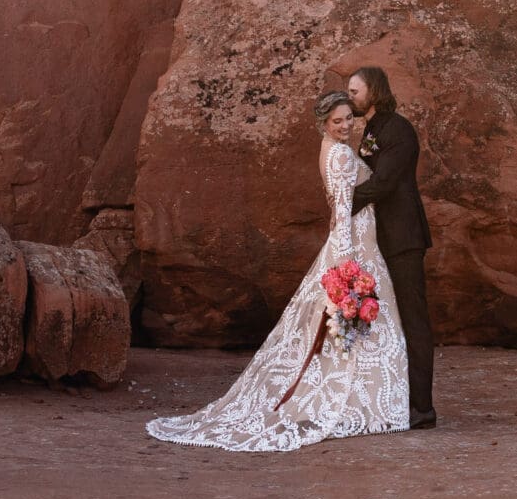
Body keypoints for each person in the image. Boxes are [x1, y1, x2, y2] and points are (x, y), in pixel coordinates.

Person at [145, 92, 410, 450]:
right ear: (324, 124)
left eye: (350, 118)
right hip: (355, 242)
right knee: (354, 319)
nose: (346, 125)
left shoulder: (327, 148)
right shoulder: (343, 155)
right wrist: (347, 265)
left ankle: (358, 400)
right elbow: (345, 207)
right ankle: (361, 406)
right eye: (338, 121)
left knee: (341, 325)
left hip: (352, 239)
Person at [344, 66, 436, 429]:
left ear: (374, 90)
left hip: (403, 238)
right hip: (380, 239)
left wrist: (342, 202)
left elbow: (383, 183)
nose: (349, 96)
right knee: (385, 320)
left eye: (354, 91)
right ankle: (393, 400)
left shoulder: (397, 129)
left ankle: (423, 409)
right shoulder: (373, 129)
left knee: (414, 321)